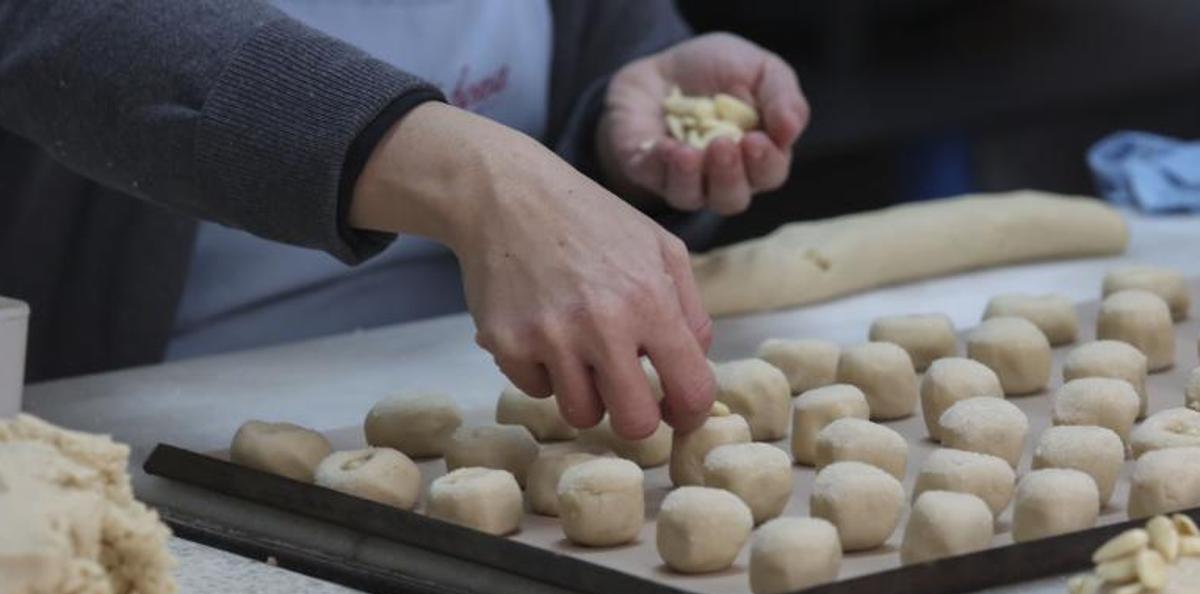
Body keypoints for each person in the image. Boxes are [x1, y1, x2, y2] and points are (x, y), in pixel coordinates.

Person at [0, 0, 808, 438]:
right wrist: (476, 178)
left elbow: (612, 49)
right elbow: (60, 30)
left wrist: (622, 134)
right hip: (171, 428)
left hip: (510, 420)